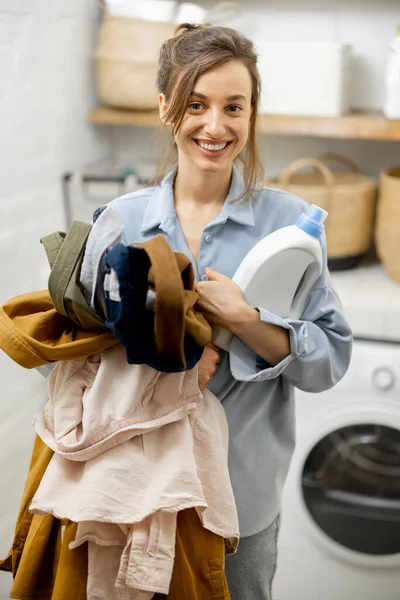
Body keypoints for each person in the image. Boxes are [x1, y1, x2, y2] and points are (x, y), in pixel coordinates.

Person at [92, 23, 353, 600]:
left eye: (234, 106)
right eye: (195, 105)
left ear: (253, 113)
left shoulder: (292, 225)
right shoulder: (119, 220)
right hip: (129, 494)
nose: (216, 126)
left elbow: (328, 363)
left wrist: (243, 320)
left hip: (238, 507)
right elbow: (70, 363)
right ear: (166, 109)